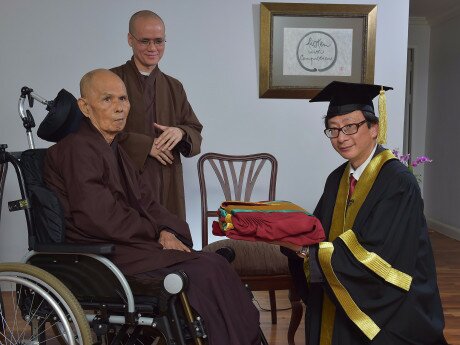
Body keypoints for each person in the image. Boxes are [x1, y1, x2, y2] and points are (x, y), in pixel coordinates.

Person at [43, 69, 260, 345]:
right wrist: (155, 234)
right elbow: (97, 216)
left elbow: (146, 201)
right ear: (84, 107)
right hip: (100, 251)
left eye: (123, 99)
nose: (120, 108)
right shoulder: (76, 149)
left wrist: (167, 228)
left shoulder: (113, 148)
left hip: (128, 243)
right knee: (205, 271)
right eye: (107, 100)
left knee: (214, 264)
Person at [283, 81, 447, 345]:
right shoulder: (337, 179)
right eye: (333, 129)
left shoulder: (398, 181)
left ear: (374, 128)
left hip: (393, 306)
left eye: (350, 126)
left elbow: (380, 255)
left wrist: (307, 253)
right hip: (345, 296)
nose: (341, 137)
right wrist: (287, 232)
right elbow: (319, 232)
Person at [111, 10, 202, 220]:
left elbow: (194, 130)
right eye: (145, 41)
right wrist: (145, 146)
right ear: (130, 40)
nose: (153, 48)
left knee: (172, 243)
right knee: (135, 243)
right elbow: (96, 132)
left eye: (159, 41)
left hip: (166, 179)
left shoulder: (174, 86)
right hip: (125, 177)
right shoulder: (111, 80)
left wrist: (181, 132)